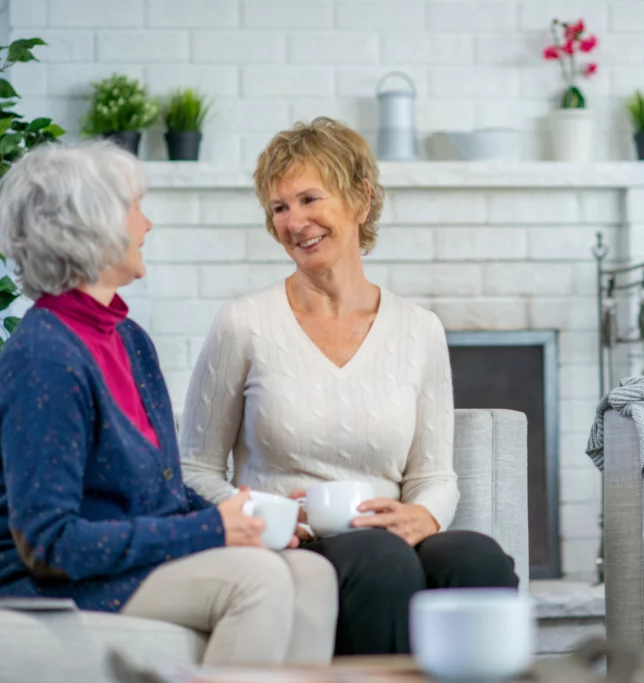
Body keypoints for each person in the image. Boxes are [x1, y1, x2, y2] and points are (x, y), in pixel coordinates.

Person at [0, 141, 337, 666]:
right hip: (34, 583)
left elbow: (160, 495)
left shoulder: (129, 340)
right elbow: (49, 545)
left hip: (117, 566)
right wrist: (213, 529)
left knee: (313, 573)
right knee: (257, 580)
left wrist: (247, 514)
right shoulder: (44, 357)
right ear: (91, 226)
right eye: (134, 209)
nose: (147, 224)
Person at [180, 117, 519, 656]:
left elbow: (434, 474)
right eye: (279, 207)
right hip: (294, 546)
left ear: (361, 200)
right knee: (380, 561)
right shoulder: (244, 323)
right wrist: (269, 514)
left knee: (478, 559)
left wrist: (424, 515)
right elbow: (193, 470)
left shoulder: (419, 329)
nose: (295, 222)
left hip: (388, 540)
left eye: (309, 199)